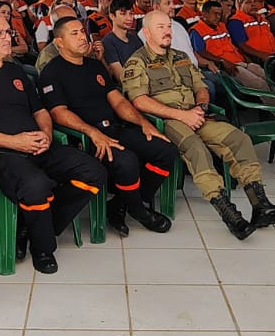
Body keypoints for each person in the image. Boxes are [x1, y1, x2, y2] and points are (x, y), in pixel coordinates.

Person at [0, 12, 107, 274]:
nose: (7, 38)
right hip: (2, 154)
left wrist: (46, 134)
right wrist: (14, 142)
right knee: (37, 186)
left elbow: (41, 112)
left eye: (8, 31)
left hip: (38, 145)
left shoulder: (15, 71)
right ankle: (43, 248)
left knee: (94, 172)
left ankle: (31, 225)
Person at [122, 12, 275, 239]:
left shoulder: (181, 57)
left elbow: (201, 87)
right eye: (160, 27)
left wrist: (201, 108)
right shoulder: (137, 62)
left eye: (169, 26)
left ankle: (261, 206)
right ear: (146, 33)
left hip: (196, 114)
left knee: (239, 139)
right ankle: (228, 213)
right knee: (196, 149)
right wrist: (182, 115)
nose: (167, 31)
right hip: (167, 120)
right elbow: (139, 101)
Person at [39, 16, 174, 238]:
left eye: (82, 32)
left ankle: (121, 204)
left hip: (114, 128)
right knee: (126, 160)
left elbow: (118, 101)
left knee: (165, 149)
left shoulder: (94, 66)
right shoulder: (51, 72)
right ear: (59, 42)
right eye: (74, 34)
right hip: (85, 138)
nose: (83, 37)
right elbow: (58, 113)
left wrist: (143, 123)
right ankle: (139, 211)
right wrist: (92, 132)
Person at [192, 0, 270, 91]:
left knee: (267, 78)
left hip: (240, 61)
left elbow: (232, 45)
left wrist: (245, 57)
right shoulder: (196, 30)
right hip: (227, 67)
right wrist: (222, 61)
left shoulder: (222, 26)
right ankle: (274, 100)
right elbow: (200, 52)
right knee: (259, 84)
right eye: (215, 13)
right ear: (204, 14)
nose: (218, 17)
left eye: (220, 14)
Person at [100, 0, 143, 84]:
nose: (129, 18)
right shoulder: (108, 42)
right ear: (112, 16)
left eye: (131, 14)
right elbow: (120, 77)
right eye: (123, 14)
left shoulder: (134, 38)